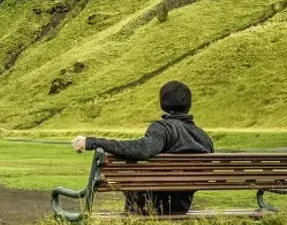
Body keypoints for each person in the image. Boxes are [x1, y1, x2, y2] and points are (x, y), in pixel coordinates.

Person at [71, 80, 213, 215]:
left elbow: (142, 150)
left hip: (152, 204)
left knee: (130, 174)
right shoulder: (204, 137)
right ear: (189, 105)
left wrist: (92, 142)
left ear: (162, 103)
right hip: (182, 206)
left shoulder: (163, 128)